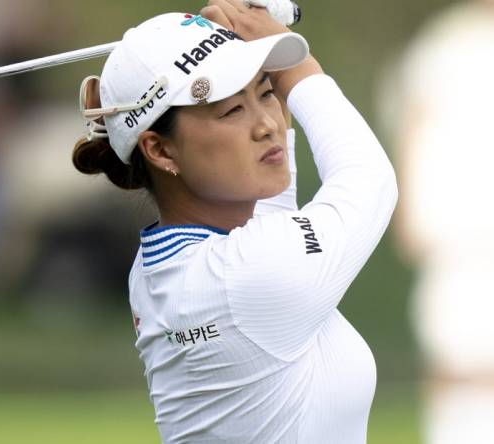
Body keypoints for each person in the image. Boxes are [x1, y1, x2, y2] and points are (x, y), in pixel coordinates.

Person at [72, 1, 397, 443]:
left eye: (266, 93)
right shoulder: (248, 274)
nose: (268, 126)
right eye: (231, 111)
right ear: (161, 150)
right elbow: (369, 182)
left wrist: (241, 43)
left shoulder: (173, 264)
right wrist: (299, 68)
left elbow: (270, 199)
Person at [383, 1, 494, 442]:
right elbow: (413, 124)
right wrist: (408, 208)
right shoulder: (446, 44)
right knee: (458, 361)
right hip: (458, 234)